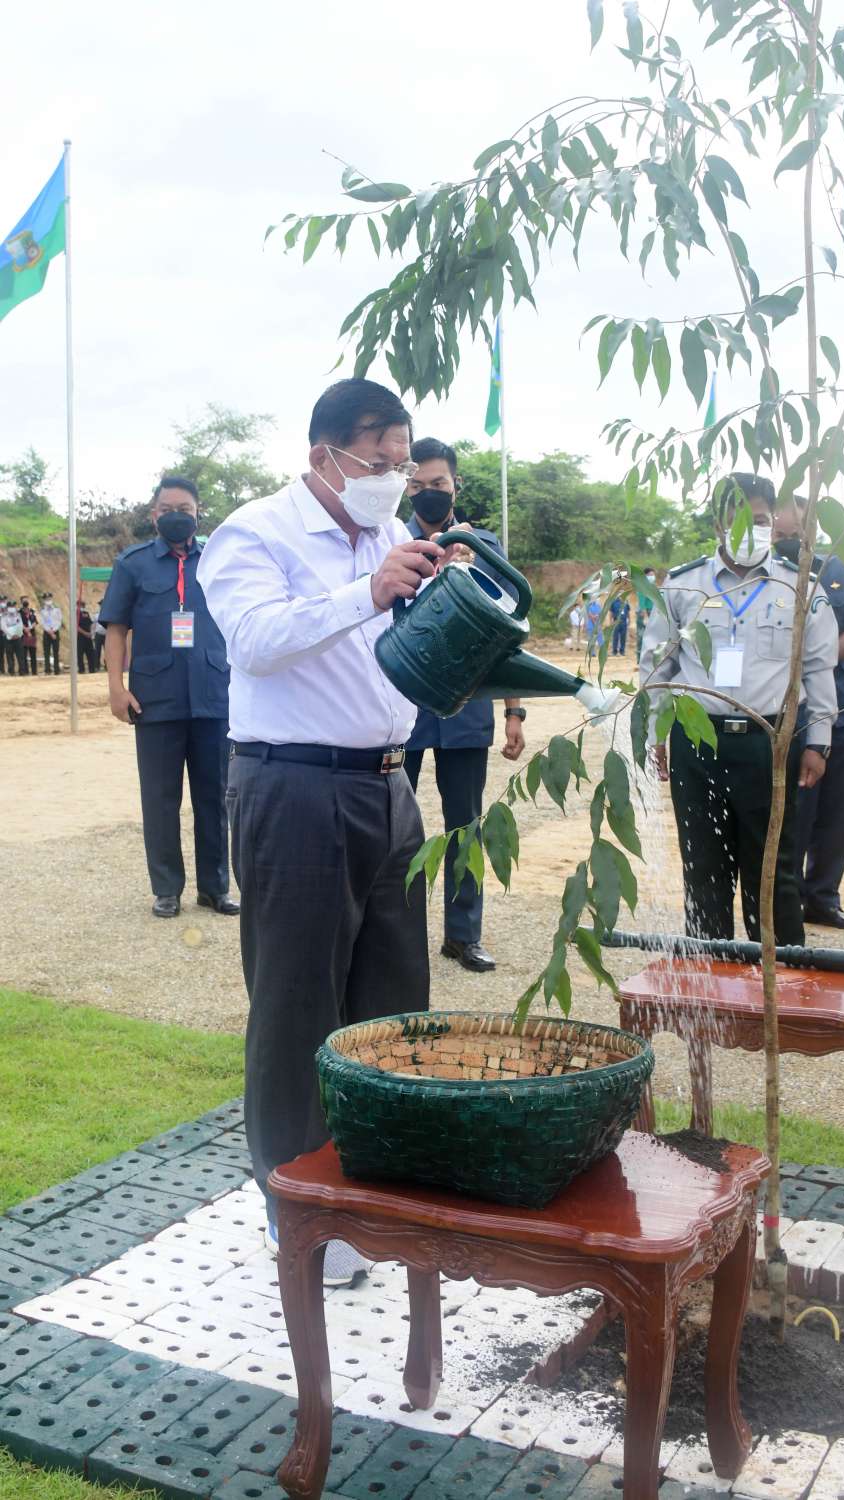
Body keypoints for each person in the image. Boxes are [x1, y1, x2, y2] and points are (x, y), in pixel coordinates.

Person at [199, 377, 445, 1286]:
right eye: (377, 460)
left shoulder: (389, 533)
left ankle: (371, 1188)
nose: (391, 478)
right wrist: (368, 592)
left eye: (400, 463)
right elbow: (255, 640)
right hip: (294, 786)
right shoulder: (255, 533)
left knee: (392, 999)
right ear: (324, 456)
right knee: (298, 1001)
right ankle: (295, 1206)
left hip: (389, 785)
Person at [641, 473, 838, 944]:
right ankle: (711, 976)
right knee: (703, 869)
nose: (752, 528)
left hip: (767, 743)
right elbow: (657, 664)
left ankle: (779, 974)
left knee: (771, 873)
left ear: (775, 523)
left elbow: (818, 668)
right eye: (739, 519)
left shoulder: (799, 587)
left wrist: (819, 741)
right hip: (698, 742)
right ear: (718, 525)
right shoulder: (683, 586)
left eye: (762, 519)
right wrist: (655, 733)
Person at [402, 436, 526, 973]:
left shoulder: (486, 547)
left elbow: (508, 631)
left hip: (465, 704)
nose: (428, 492)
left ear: (456, 486)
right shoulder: (388, 541)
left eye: (438, 483)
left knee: (465, 826)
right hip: (402, 707)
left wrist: (514, 712)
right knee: (392, 824)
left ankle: (462, 935)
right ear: (406, 489)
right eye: (417, 484)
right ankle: (394, 932)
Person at [100, 475, 238, 922]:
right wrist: (116, 687)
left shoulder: (220, 559)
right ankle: (166, 890)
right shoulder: (133, 564)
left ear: (198, 513)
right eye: (166, 509)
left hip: (213, 696)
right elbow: (116, 628)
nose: (175, 516)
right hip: (154, 699)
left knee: (214, 797)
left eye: (184, 509)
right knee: (160, 800)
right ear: (153, 514)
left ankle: (215, 888)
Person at [775, 500, 844, 930]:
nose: (787, 539)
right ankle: (788, 897)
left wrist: (814, 665)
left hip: (843, 704)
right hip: (793, 713)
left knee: (836, 811)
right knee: (798, 809)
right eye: (780, 533)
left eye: (795, 532)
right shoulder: (770, 574)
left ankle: (824, 897)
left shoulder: (836, 570)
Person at [636, 568, 657, 655]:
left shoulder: (652, 586)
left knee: (652, 636)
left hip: (651, 612)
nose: (653, 577)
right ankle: (640, 656)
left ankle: (649, 655)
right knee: (642, 635)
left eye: (653, 575)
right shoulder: (642, 587)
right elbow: (642, 603)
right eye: (650, 575)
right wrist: (645, 617)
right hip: (644, 613)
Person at [1, 598, 25, 675]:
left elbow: (20, 625)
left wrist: (18, 634)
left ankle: (22, 671)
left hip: (18, 638)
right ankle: (11, 671)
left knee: (20, 655)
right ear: (7, 607)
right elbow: (3, 627)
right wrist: (11, 635)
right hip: (8, 638)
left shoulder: (18, 615)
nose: (12, 608)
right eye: (10, 606)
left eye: (13, 606)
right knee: (9, 655)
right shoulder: (4, 616)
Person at [40, 593, 62, 674]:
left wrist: (54, 630)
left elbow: (59, 621)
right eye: (46, 599)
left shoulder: (57, 609)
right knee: (47, 652)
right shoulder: (43, 611)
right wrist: (49, 631)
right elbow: (43, 623)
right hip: (47, 633)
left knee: (56, 651)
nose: (48, 600)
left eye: (49, 598)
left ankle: (56, 670)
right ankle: (47, 670)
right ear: (44, 600)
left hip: (55, 632)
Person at [19, 597, 38, 675]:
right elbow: (19, 622)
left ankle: (34, 671)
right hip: (23, 634)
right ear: (21, 602)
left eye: (26, 600)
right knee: (24, 654)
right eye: (24, 601)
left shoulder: (32, 611)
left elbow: (35, 622)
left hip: (32, 635)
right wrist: (26, 630)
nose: (25, 602)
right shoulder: (18, 612)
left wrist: (29, 629)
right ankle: (26, 671)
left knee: (33, 653)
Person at [76, 603, 95, 673]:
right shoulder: (76, 614)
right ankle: (81, 670)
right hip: (80, 637)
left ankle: (92, 669)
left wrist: (91, 633)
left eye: (82, 605)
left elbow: (91, 623)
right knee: (80, 654)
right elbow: (76, 626)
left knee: (90, 653)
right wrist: (85, 633)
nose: (81, 607)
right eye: (80, 605)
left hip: (88, 636)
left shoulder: (86, 613)